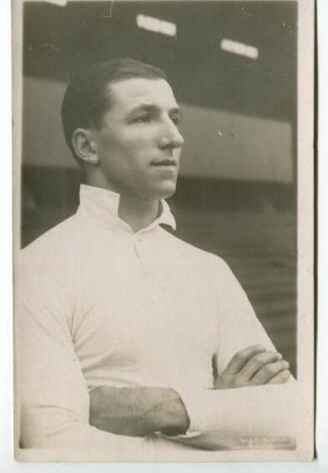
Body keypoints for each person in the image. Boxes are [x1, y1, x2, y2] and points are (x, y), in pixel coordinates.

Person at [16, 58, 296, 458]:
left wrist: (171, 410)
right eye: (145, 118)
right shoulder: (35, 269)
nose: (174, 137)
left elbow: (292, 423)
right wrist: (223, 414)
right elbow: (54, 447)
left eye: (175, 117)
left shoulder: (210, 270)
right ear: (87, 145)